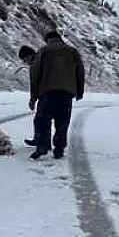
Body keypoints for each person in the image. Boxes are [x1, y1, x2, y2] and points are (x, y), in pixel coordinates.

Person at [27, 30, 85, 160]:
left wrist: (33, 97)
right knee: (62, 123)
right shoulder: (73, 51)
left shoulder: (44, 51)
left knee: (43, 120)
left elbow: (34, 74)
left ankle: (42, 146)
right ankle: (59, 149)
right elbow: (80, 72)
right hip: (66, 94)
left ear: (47, 40)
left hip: (47, 92)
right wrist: (79, 91)